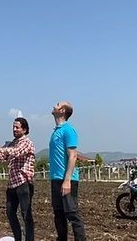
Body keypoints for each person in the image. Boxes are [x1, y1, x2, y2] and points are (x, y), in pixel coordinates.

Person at [0, 117, 35, 241]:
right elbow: (0, 156)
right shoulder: (12, 143)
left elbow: (15, 152)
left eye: (17, 127)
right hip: (12, 184)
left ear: (24, 129)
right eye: (13, 127)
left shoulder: (26, 142)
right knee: (10, 213)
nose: (14, 129)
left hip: (23, 183)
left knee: (26, 214)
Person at [48, 101, 84, 241]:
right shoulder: (56, 131)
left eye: (57, 104)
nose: (54, 105)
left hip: (67, 179)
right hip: (56, 178)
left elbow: (73, 155)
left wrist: (67, 180)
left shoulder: (68, 130)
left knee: (72, 213)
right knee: (58, 214)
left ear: (62, 110)